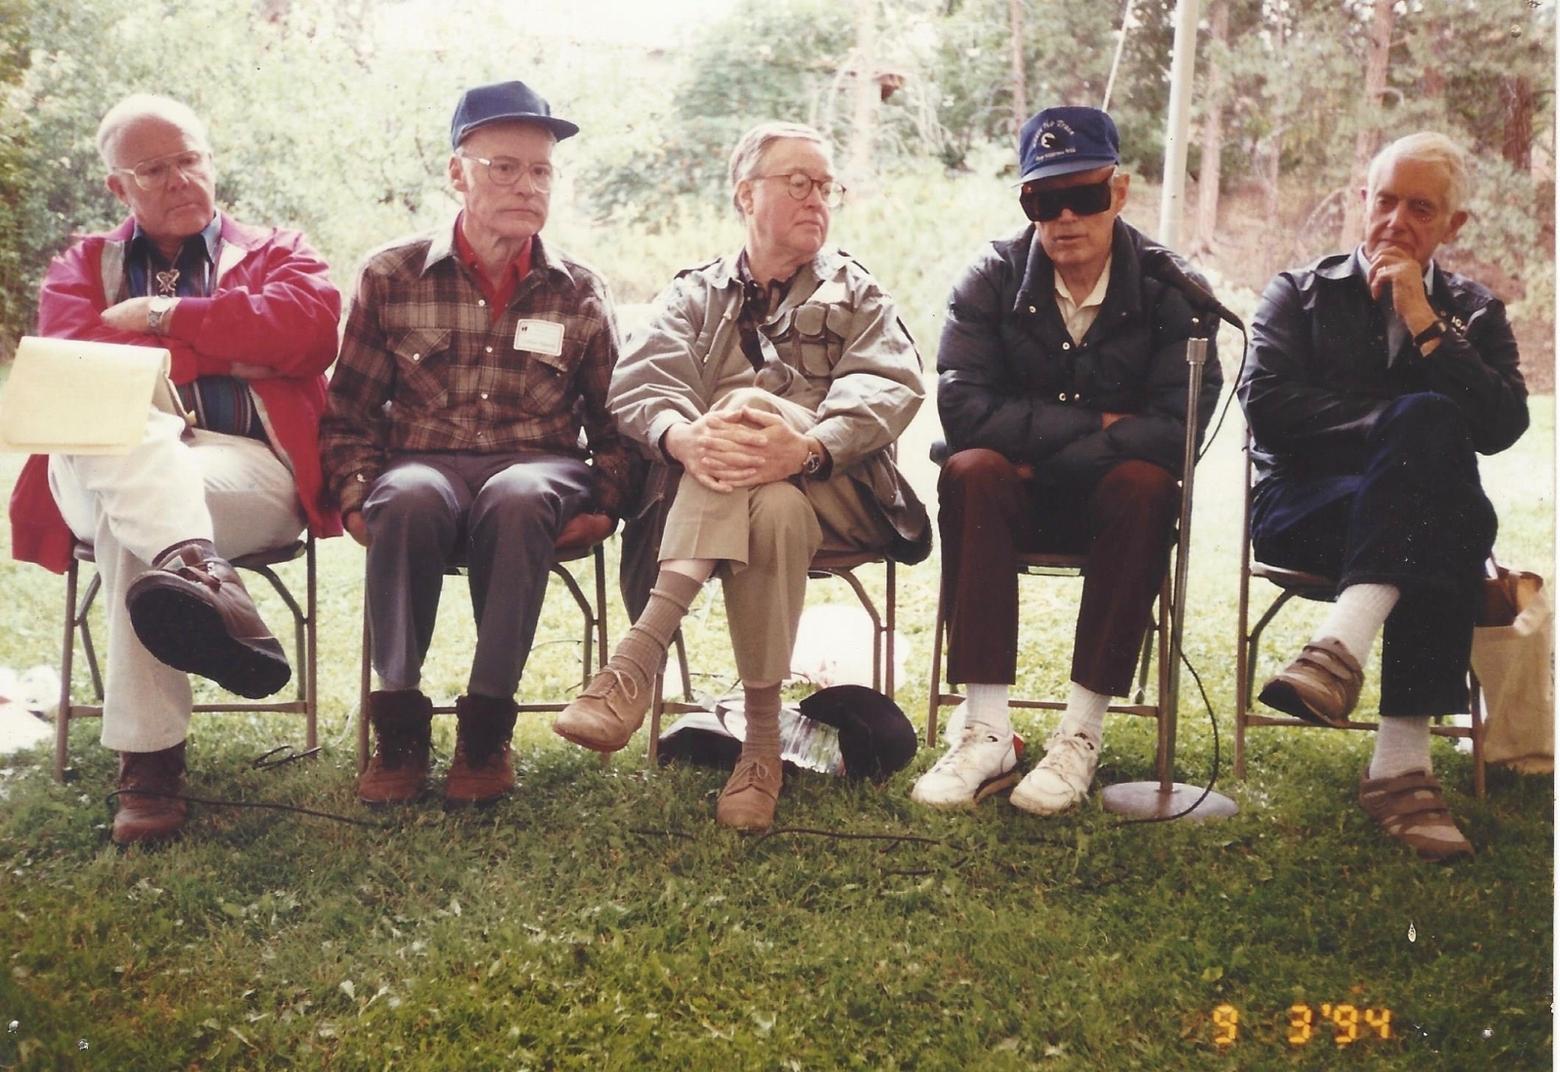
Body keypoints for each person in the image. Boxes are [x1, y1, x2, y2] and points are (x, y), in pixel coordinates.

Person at [552, 121, 930, 832]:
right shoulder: (695, 295)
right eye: (799, 183)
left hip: (842, 488)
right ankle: (759, 752)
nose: (817, 198)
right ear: (745, 195)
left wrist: (806, 446)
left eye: (826, 186)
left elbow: (888, 389)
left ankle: (637, 658)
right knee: (773, 505)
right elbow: (642, 384)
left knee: (745, 409)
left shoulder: (858, 294)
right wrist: (682, 436)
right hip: (749, 503)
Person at [7, 94, 342, 845]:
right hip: (94, 458)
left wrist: (162, 320)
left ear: (211, 160)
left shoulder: (279, 249)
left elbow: (309, 329)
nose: (180, 178)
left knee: (141, 520)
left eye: (190, 159)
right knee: (127, 440)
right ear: (117, 188)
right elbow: (82, 365)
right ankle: (202, 574)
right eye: (154, 169)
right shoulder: (80, 268)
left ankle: (149, 763)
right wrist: (236, 341)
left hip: (245, 467)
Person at [320, 80, 632, 808]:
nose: (528, 185)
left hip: (540, 472)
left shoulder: (579, 292)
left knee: (519, 496)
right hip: (422, 465)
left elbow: (619, 423)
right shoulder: (390, 277)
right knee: (406, 494)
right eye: (505, 167)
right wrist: (357, 495)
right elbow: (350, 412)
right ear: (457, 172)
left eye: (543, 171)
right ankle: (398, 729)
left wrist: (609, 504)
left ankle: (486, 731)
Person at [912, 105, 1220, 815]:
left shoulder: (1173, 286)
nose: (1065, 218)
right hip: (1009, 502)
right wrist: (1103, 425)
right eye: (1043, 201)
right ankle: (986, 731)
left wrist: (1047, 450)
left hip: (1115, 507)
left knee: (1148, 484)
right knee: (972, 469)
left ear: (1119, 191)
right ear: (1026, 203)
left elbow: (1178, 430)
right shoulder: (988, 276)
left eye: (1083, 195)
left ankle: (1080, 735)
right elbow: (963, 412)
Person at [1240, 132, 1527, 862]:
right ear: (1362, 201)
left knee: (1433, 514)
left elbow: (1502, 427)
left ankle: (1338, 650)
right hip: (1304, 512)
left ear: (1453, 226)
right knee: (1434, 475)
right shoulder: (1297, 292)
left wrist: (1426, 322)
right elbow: (1268, 405)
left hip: (1407, 530)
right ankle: (1400, 773)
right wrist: (1398, 434)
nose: (1396, 220)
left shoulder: (1474, 311)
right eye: (1385, 199)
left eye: (1420, 208)